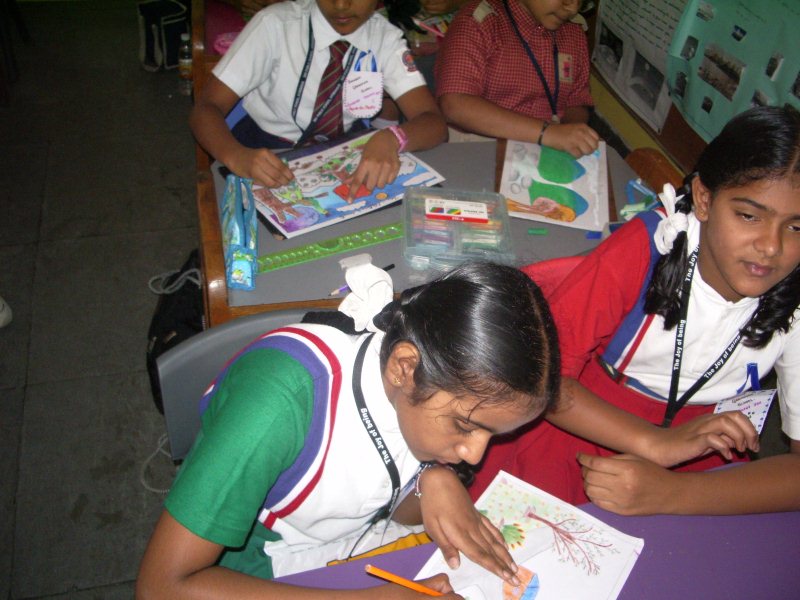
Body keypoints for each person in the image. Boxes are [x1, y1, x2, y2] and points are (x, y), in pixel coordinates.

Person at [136, 262, 561, 599]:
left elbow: (379, 499)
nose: (475, 455)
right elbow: (161, 587)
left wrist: (433, 481)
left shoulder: (422, 396)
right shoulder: (278, 404)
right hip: (253, 571)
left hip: (340, 546)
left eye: (494, 434)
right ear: (404, 368)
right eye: (466, 426)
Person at [470, 105, 800, 516]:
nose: (771, 246)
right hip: (581, 424)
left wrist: (675, 492)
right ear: (704, 198)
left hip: (699, 452)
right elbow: (539, 378)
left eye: (797, 227)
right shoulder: (647, 248)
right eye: (749, 216)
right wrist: (653, 443)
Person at [191, 0, 448, 197]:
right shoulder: (274, 25)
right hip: (263, 147)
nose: (341, 5)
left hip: (342, 148)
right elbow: (205, 108)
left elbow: (433, 123)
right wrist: (236, 156)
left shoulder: (385, 38)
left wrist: (393, 137)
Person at [434, 0, 599, 157]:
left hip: (549, 145)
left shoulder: (574, 31)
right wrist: (546, 133)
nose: (572, 9)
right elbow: (454, 104)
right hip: (481, 142)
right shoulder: (479, 21)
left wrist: (573, 132)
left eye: (581, 1)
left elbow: (576, 101)